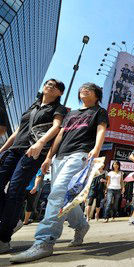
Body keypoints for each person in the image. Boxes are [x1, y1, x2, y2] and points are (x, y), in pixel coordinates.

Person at [11, 83, 109, 263]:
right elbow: (60, 135)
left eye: (89, 88)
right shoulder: (70, 114)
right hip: (60, 157)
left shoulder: (99, 111)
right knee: (64, 197)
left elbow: (101, 130)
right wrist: (49, 157)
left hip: (81, 154)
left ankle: (44, 242)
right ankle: (81, 226)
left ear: (97, 95)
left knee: (57, 194)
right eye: (82, 88)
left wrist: (96, 150)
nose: (84, 89)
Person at [0, 79, 67, 254]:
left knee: (15, 190)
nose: (49, 85)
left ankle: (4, 238)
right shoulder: (33, 107)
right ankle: (11, 217)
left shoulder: (57, 109)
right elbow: (17, 132)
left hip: (32, 152)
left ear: (59, 93)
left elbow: (56, 127)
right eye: (48, 83)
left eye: (54, 85)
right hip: (14, 150)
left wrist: (40, 143)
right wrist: (2, 149)